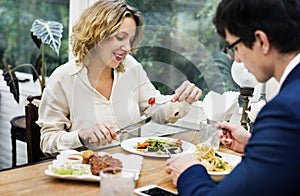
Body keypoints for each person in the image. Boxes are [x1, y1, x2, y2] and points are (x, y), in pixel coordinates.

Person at [166, 0, 300, 195]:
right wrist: (256, 145)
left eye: (235, 47)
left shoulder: (285, 110)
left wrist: (189, 171)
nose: (237, 59)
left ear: (261, 41)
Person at [37, 0, 202, 157]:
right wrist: (80, 136)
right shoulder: (63, 79)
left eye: (130, 40)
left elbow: (155, 107)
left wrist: (182, 100)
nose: (128, 48)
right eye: (120, 37)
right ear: (97, 35)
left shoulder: (131, 67)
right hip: (85, 174)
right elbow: (47, 142)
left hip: (131, 168)